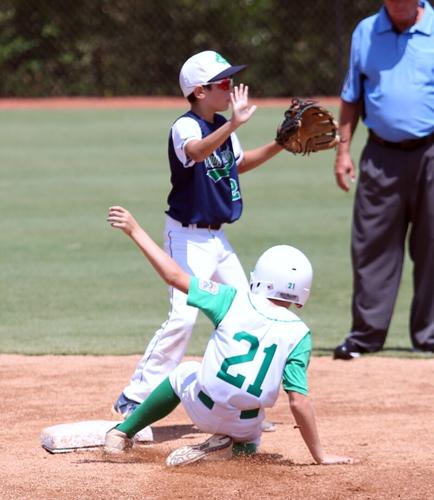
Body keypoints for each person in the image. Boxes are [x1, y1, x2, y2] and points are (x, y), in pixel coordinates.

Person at [104, 205, 356, 467]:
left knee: (185, 371)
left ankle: (122, 433)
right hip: (244, 424)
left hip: (202, 408)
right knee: (253, 436)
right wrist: (320, 456)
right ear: (302, 296)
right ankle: (233, 450)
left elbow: (173, 275)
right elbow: (298, 401)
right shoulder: (300, 334)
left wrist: (135, 230)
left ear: (259, 277)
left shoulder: (230, 298)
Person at [112, 50, 284, 426]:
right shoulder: (186, 127)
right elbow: (196, 151)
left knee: (248, 312)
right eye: (223, 83)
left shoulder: (221, 123)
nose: (231, 87)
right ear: (199, 91)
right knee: (184, 317)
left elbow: (238, 164)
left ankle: (236, 401)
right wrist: (234, 126)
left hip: (217, 241)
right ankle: (133, 397)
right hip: (185, 238)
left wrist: (279, 144)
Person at [333, 0, 434, 360]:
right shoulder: (366, 31)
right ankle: (366, 335)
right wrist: (343, 152)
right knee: (372, 244)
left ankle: (430, 334)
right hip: (381, 153)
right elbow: (350, 97)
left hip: (431, 151)